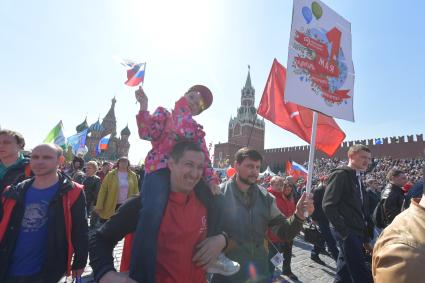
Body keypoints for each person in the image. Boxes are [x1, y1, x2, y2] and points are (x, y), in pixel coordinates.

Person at [133, 85, 235, 282]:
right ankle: (140, 274)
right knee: (152, 211)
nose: (193, 102)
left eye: (197, 104)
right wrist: (144, 106)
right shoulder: (165, 113)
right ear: (182, 95)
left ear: (198, 111)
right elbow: (147, 133)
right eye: (190, 96)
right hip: (160, 171)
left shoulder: (196, 130)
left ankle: (215, 253)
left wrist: (213, 181)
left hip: (187, 174)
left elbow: (204, 158)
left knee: (216, 199)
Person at [89, 141, 228, 283]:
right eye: (189, 164)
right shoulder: (145, 203)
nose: (195, 173)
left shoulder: (209, 202)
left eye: (200, 167)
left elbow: (235, 227)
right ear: (171, 163)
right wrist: (106, 274)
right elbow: (100, 238)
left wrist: (222, 240)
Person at [211, 147, 314, 283]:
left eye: (257, 167)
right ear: (236, 165)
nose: (255, 172)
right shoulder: (219, 194)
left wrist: (299, 216)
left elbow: (283, 232)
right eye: (250, 166)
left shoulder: (266, 197)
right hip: (229, 275)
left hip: (259, 272)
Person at [0, 143, 88, 283]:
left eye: (47, 157)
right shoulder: (13, 190)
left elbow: (80, 229)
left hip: (47, 271)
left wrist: (80, 261)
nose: (39, 161)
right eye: (35, 157)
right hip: (7, 266)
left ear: (60, 161)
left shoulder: (73, 191)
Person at [322, 144, 374, 283]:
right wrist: (345, 233)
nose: (367, 161)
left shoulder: (357, 177)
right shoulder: (340, 174)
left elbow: (360, 210)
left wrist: (365, 237)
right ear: (351, 156)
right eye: (363, 157)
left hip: (356, 231)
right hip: (347, 232)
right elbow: (328, 205)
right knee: (360, 272)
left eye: (368, 158)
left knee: (343, 272)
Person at [372, 168, 425, 283]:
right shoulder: (391, 192)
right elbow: (389, 214)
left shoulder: (395, 190)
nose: (405, 180)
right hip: (398, 229)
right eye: (402, 178)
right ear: (393, 178)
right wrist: (398, 227)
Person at [266, 177, 298, 280]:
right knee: (270, 261)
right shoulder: (268, 196)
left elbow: (290, 210)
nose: (280, 187)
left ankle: (273, 275)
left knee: (275, 259)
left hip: (283, 234)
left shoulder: (283, 197)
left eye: (281, 185)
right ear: (271, 184)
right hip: (272, 236)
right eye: (278, 185)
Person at [94, 157, 139, 222]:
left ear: (128, 164)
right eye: (121, 161)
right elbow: (103, 190)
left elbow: (136, 191)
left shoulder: (133, 175)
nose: (123, 163)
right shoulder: (110, 174)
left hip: (126, 205)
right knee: (109, 224)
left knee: (122, 225)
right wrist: (99, 205)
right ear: (118, 163)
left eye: (125, 162)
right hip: (111, 204)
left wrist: (136, 205)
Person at [0, 130, 31, 219]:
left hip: (17, 224)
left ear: (20, 145)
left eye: (6, 142)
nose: (1, 145)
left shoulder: (34, 169)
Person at [310, 176, 339, 264]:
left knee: (322, 237)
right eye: (327, 181)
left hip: (329, 218)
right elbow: (314, 205)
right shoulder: (318, 190)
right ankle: (338, 259)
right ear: (324, 181)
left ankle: (314, 253)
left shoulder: (332, 190)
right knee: (330, 239)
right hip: (320, 218)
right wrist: (314, 218)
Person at [83, 161, 101, 228]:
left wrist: (94, 204)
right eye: (87, 167)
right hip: (80, 200)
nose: (87, 169)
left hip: (90, 201)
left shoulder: (96, 179)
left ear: (94, 169)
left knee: (88, 217)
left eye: (89, 168)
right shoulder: (82, 176)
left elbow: (97, 192)